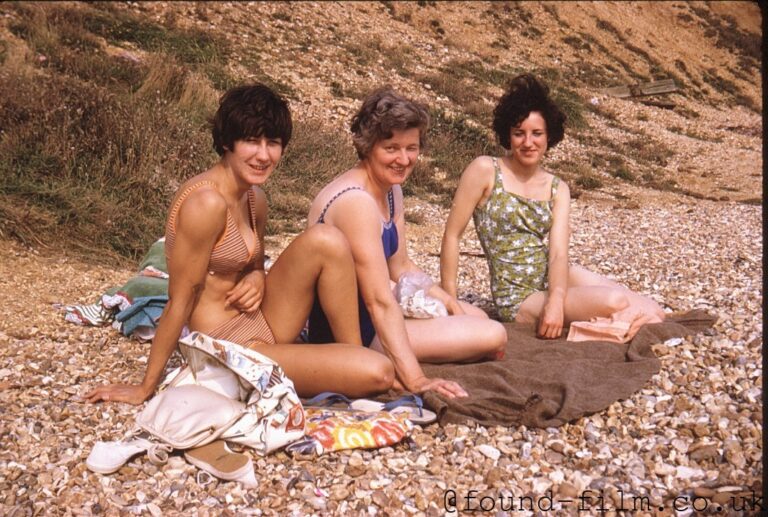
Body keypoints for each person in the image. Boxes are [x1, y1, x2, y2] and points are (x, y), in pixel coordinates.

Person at [86, 84, 394, 405]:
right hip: (227, 348)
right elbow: (180, 299)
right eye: (251, 141)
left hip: (260, 320)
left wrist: (257, 276)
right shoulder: (205, 204)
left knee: (327, 239)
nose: (263, 155)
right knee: (380, 374)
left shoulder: (253, 197)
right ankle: (353, 369)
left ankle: (351, 353)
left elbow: (253, 262)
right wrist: (145, 387)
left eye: (272, 143)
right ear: (226, 142)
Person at [306, 87, 507, 400]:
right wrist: (416, 379)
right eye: (392, 148)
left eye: (411, 148)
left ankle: (413, 344)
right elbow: (378, 301)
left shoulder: (389, 189)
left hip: (376, 313)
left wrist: (444, 297)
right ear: (368, 146)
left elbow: (399, 265)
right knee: (492, 334)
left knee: (475, 317)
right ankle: (391, 357)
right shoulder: (355, 202)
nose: (403, 159)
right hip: (352, 332)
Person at [440, 74, 665, 340]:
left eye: (537, 133)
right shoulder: (485, 170)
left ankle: (612, 326)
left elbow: (558, 253)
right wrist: (450, 303)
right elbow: (452, 236)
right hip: (518, 296)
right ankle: (612, 326)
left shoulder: (558, 188)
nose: (528, 142)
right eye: (519, 133)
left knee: (652, 308)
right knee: (616, 302)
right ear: (508, 136)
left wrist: (556, 301)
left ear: (549, 137)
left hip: (553, 278)